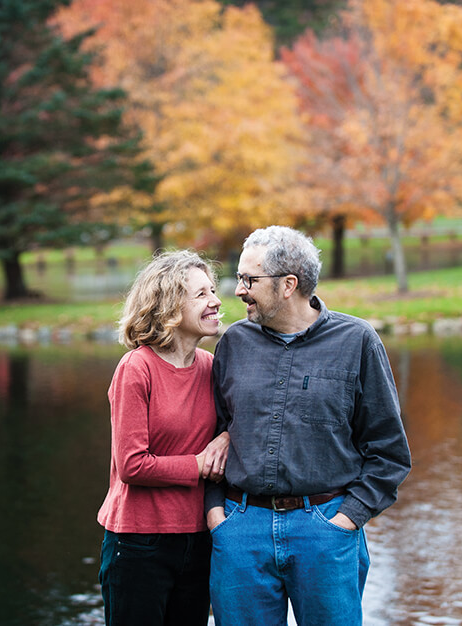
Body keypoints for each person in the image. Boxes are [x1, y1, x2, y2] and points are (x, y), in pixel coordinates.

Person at [205, 226, 411, 625]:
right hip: (240, 531)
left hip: (325, 530)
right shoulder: (232, 344)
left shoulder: (358, 341)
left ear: (288, 285)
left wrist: (346, 519)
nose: (238, 289)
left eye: (249, 279)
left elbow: (389, 452)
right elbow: (213, 433)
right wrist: (217, 515)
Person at [97, 250, 230, 626]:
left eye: (213, 291)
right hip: (139, 543)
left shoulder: (210, 366)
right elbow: (131, 465)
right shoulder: (136, 368)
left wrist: (227, 438)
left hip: (199, 537)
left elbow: (236, 422)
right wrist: (199, 466)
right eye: (201, 294)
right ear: (170, 305)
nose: (216, 301)